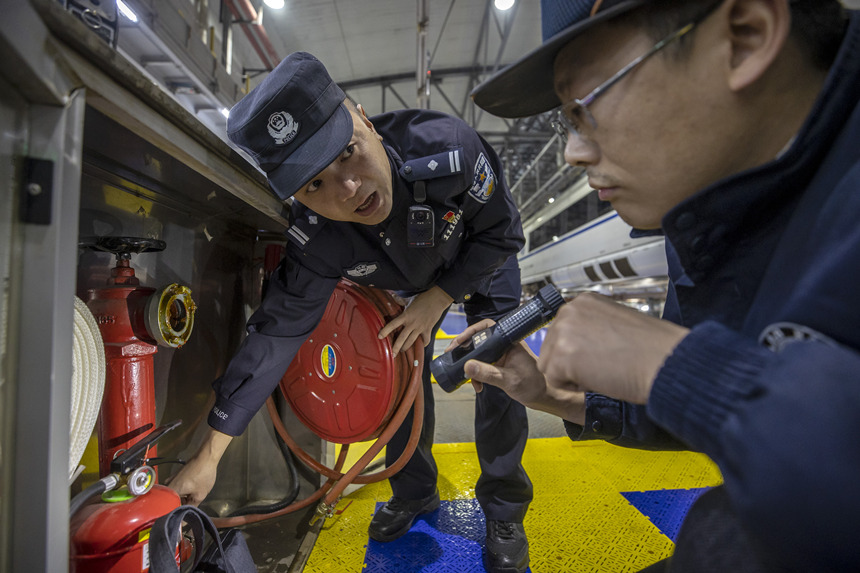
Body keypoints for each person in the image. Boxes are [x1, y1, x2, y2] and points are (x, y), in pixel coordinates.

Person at [459, 0, 860, 571]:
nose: (572, 151)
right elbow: (709, 412)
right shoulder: (709, 216)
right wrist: (550, 393)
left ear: (744, 37)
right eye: (565, 121)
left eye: (585, 105)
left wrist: (673, 363)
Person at [167, 51, 532, 573]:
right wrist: (208, 457)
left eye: (347, 153)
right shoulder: (316, 239)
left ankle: (504, 510)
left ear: (361, 115)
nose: (348, 190)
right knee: (404, 377)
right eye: (313, 185)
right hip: (406, 286)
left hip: (479, 262)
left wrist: (439, 298)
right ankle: (414, 491)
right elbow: (277, 335)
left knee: (499, 375)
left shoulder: (447, 151)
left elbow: (503, 233)